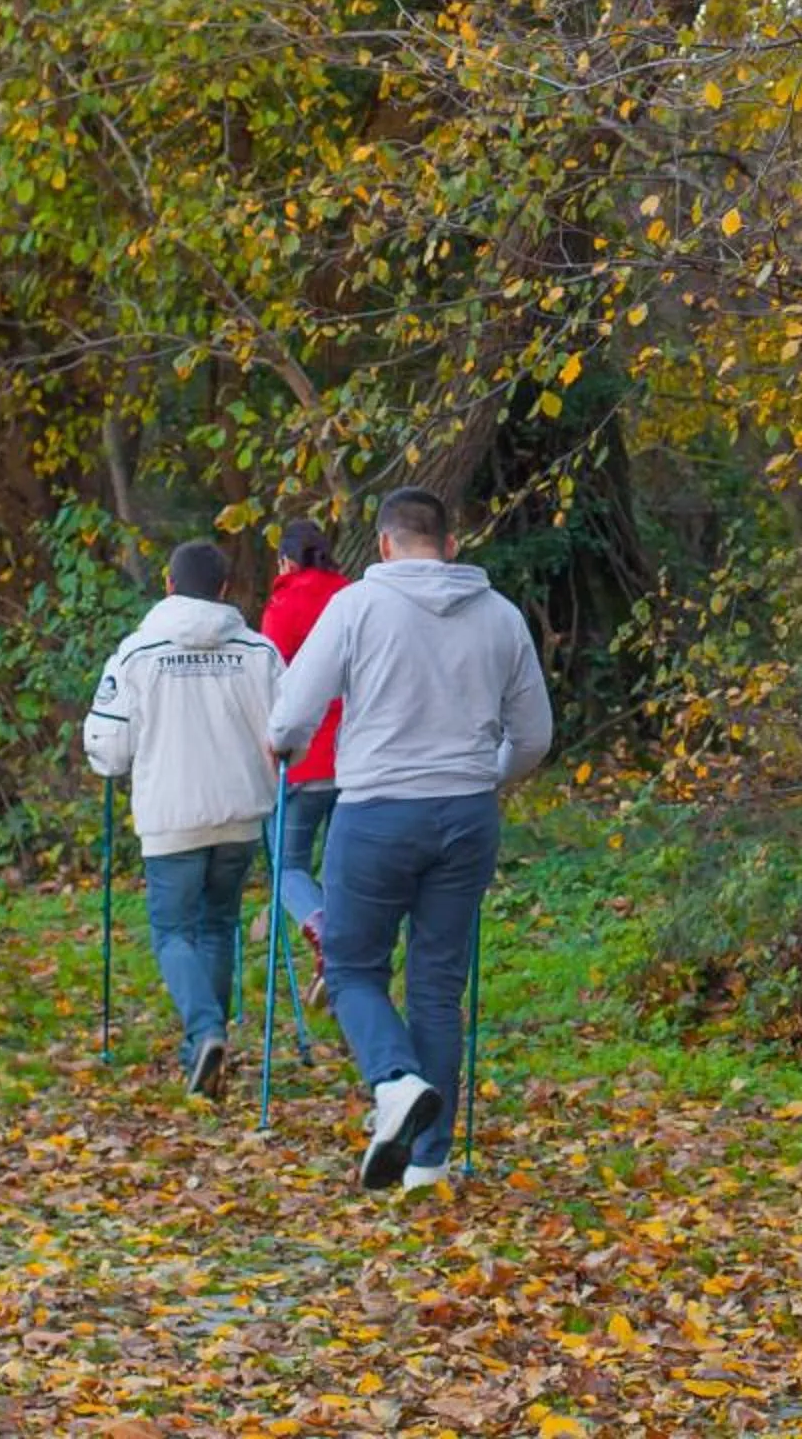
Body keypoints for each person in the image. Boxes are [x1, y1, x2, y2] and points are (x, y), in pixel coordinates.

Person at [268, 486, 552, 1191]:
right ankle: (429, 1163)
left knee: (354, 965)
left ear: (385, 545)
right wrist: (487, 775)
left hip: (378, 814)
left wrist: (283, 741)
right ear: (451, 545)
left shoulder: (357, 607)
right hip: (466, 815)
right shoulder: (502, 617)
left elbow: (293, 713)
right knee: (435, 988)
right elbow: (535, 736)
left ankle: (393, 1082)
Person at [83, 539, 284, 1099]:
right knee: (219, 924)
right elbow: (287, 728)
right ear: (225, 590)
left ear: (168, 585)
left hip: (172, 816)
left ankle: (204, 1033)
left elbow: (109, 744)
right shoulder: (260, 653)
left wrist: (107, 759)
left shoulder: (136, 654)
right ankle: (204, 1050)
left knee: (172, 930)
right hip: (241, 812)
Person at [258, 519, 350, 997]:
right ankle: (339, 968)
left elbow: (274, 680)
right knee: (341, 868)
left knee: (287, 866)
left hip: (304, 758)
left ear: (287, 562)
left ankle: (325, 935)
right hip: (354, 757)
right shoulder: (354, 597)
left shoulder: (284, 602)